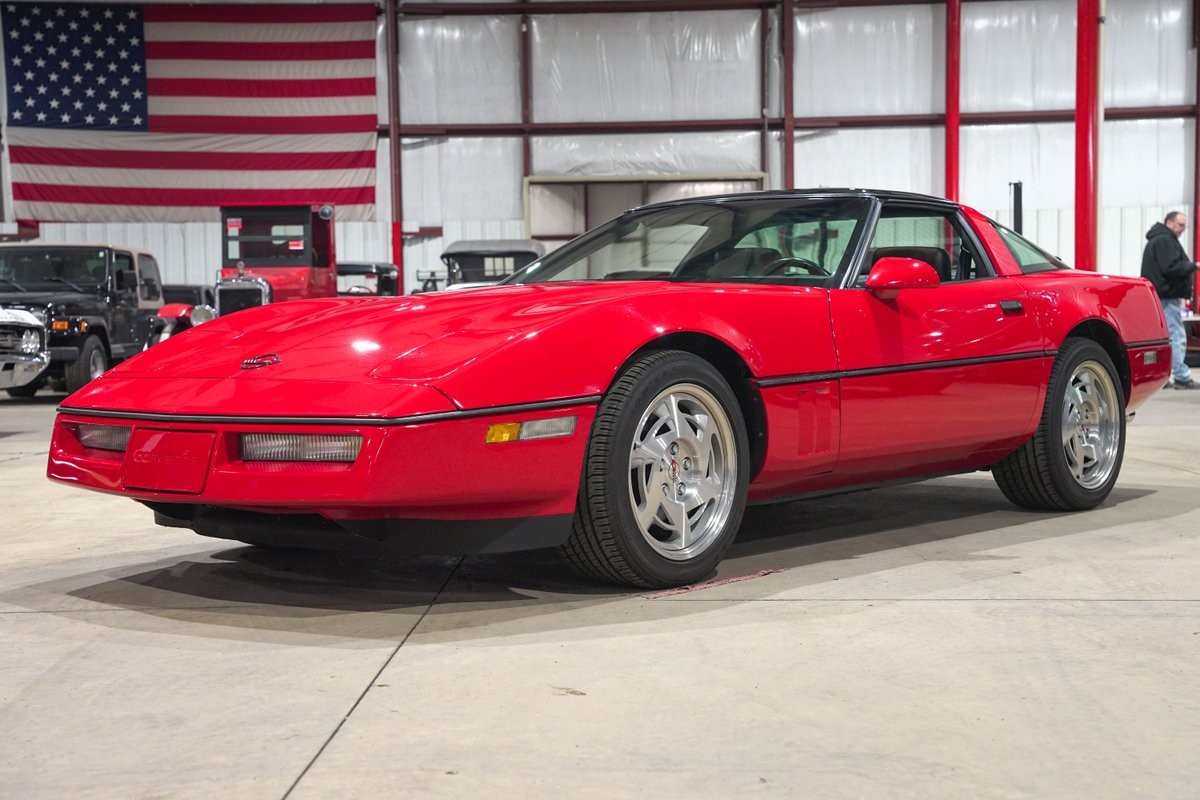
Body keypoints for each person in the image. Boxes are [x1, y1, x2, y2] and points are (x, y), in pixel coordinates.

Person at [1141, 211, 1197, 389]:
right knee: (1176, 336)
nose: (1183, 229)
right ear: (1169, 222)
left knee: (1162, 338)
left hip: (1159, 296)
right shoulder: (1165, 240)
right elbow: (1171, 268)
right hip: (1167, 296)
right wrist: (1193, 266)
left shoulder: (1158, 239)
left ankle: (1161, 376)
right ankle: (1181, 375)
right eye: (1180, 225)